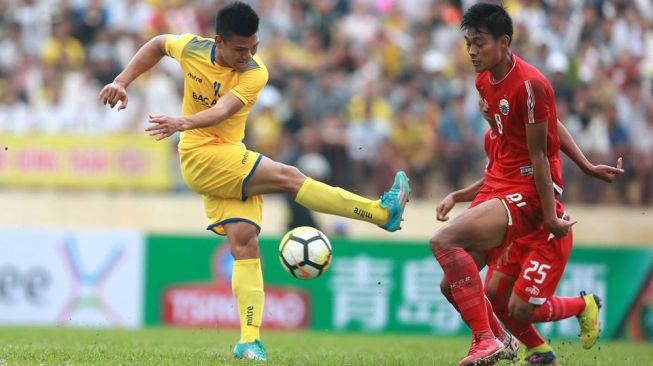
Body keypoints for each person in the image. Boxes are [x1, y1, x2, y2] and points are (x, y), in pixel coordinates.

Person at [98, 2, 410, 361]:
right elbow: (156, 43)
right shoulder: (192, 48)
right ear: (218, 41)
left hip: (226, 154)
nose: (250, 55)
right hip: (201, 156)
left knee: (245, 244)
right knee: (291, 178)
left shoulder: (255, 72)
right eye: (241, 49)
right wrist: (121, 81)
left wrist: (181, 121)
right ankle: (379, 213)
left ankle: (249, 341)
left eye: (254, 46)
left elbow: (222, 111)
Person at [428, 4, 573, 365]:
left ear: (503, 41)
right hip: (501, 190)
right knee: (452, 286)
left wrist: (551, 213)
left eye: (479, 43)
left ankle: (487, 341)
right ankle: (499, 339)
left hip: (529, 195)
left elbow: (539, 154)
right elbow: (503, 160)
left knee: (443, 241)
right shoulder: (484, 83)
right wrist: (460, 195)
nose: (472, 52)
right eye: (468, 44)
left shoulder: (530, 85)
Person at [437, 118, 623, 365]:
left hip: (544, 228)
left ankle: (584, 304)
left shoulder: (524, 122)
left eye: (488, 98)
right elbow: (492, 180)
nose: (484, 103)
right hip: (514, 228)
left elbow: (551, 124)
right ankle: (535, 349)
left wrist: (586, 166)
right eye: (482, 98)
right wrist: (457, 196)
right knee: (491, 293)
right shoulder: (491, 138)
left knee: (521, 308)